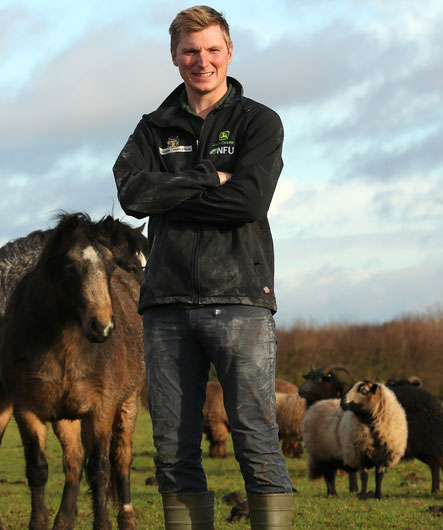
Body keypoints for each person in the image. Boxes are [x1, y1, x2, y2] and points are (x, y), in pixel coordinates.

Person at [112, 6, 293, 529]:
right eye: (191, 51)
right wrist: (208, 177)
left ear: (229, 52)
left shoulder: (259, 121)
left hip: (240, 301)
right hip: (165, 306)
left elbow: (248, 203)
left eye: (212, 49)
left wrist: (167, 195)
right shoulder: (154, 127)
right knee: (172, 450)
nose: (202, 61)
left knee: (256, 439)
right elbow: (130, 193)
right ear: (174, 57)